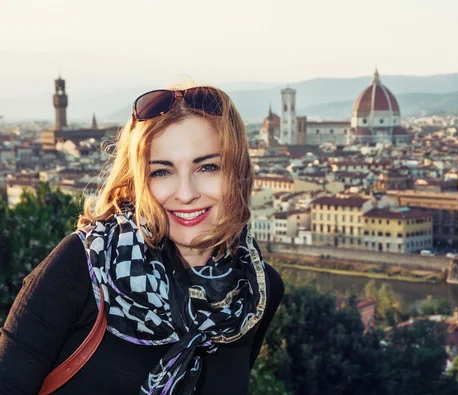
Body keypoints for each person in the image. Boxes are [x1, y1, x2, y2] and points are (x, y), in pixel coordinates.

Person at [0, 86, 285, 394]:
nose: (186, 193)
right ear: (139, 181)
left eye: (208, 167)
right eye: (162, 172)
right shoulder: (83, 266)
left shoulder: (253, 291)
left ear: (237, 173)